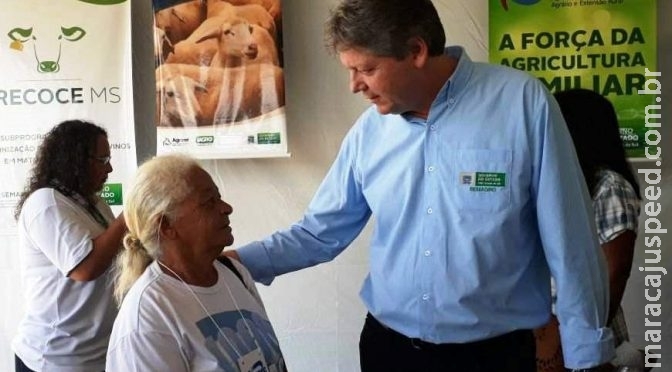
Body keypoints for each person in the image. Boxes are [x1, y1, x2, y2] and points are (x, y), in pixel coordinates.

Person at [230, 0, 614, 371]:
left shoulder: (522, 105)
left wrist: (586, 353)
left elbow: (569, 239)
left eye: (365, 68)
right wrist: (232, 263)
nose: (354, 86)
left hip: (492, 358)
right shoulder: (370, 132)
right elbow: (318, 233)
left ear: (416, 50)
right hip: (390, 351)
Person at [106, 154, 286, 372]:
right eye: (209, 202)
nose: (226, 208)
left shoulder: (234, 273)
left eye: (219, 198)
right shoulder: (148, 317)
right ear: (166, 226)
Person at [535, 89, 643, 371]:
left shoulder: (610, 185)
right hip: (552, 342)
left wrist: (584, 342)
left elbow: (615, 271)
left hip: (584, 347)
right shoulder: (560, 181)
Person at [12, 120, 126, 372]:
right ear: (75, 160)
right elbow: (85, 268)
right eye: (102, 159)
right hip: (55, 360)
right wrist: (128, 218)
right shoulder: (47, 203)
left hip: (95, 355)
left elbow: (114, 253)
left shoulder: (92, 202)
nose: (110, 168)